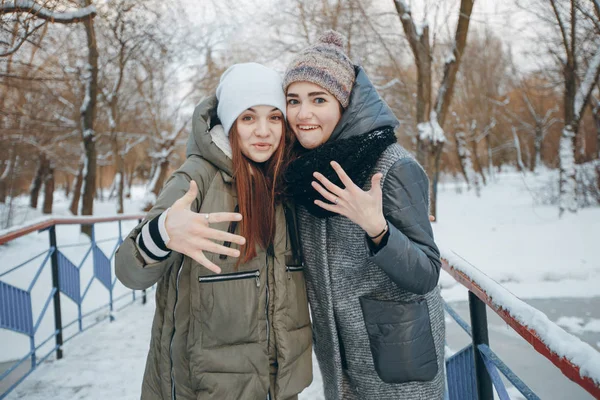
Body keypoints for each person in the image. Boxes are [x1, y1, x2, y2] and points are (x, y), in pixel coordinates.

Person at [115, 63, 312, 400]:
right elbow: (128, 270)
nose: (264, 131)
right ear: (229, 122)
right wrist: (162, 233)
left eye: (274, 117)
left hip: (277, 387)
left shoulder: (288, 183)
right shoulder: (197, 178)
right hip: (203, 388)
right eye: (249, 118)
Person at [283, 31, 445, 399]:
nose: (303, 113)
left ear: (344, 104)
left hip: (399, 360)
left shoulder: (394, 166)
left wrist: (378, 228)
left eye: (318, 99)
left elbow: (426, 274)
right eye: (294, 100)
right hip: (339, 358)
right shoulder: (301, 172)